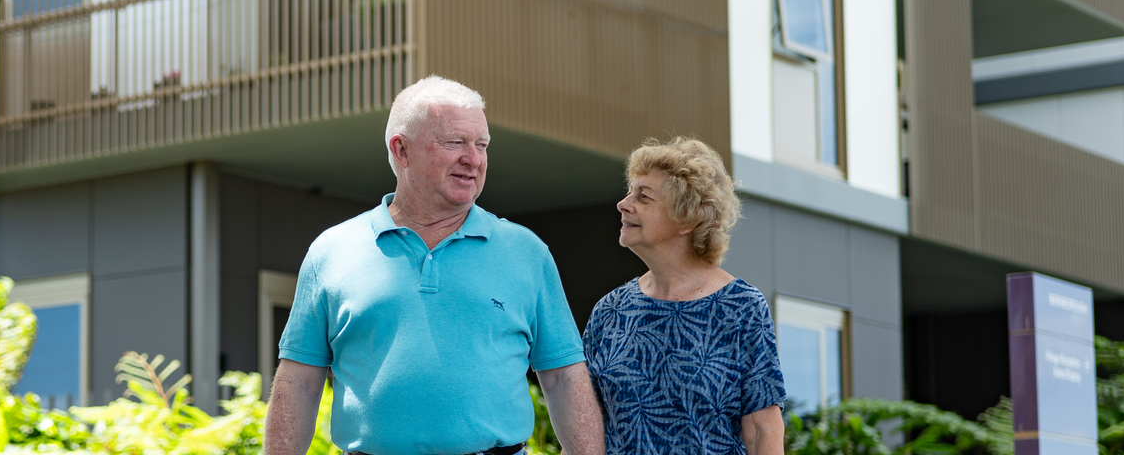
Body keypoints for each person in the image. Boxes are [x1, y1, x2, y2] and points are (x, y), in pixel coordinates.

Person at [263, 76, 605, 455]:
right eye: (454, 142)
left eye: (482, 145)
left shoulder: (526, 252)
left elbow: (562, 379)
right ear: (402, 150)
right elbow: (299, 382)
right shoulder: (332, 251)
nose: (473, 159)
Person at [584, 137, 785, 454]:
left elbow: (763, 431)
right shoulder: (610, 311)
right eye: (629, 191)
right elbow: (584, 426)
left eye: (644, 196)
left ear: (688, 218)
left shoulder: (741, 307)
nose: (623, 203)